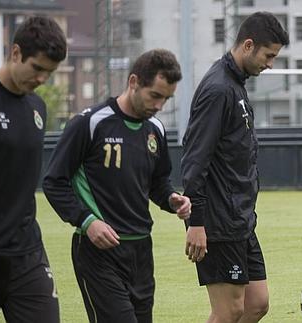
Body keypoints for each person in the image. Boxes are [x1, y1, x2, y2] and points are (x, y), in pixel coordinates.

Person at [42, 49, 191, 323]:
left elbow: (158, 182)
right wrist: (87, 222)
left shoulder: (155, 129)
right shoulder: (90, 123)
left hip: (141, 252)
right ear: (133, 82)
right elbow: (54, 182)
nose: (160, 106)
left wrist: (172, 198)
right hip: (98, 253)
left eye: (166, 99)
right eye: (155, 95)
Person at [181, 11, 289, 323]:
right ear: (248, 45)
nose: (270, 64)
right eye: (268, 56)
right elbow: (194, 158)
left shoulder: (236, 85)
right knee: (229, 311)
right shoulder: (218, 89)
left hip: (240, 219)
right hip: (217, 221)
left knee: (257, 303)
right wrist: (196, 222)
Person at [0, 16, 67, 323]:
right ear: (16, 52)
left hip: (26, 254)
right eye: (37, 68)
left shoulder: (37, 107)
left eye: (50, 72)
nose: (43, 79)